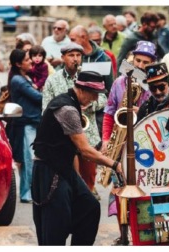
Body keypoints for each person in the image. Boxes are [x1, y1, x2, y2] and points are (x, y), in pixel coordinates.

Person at [32, 70, 122, 245]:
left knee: (90, 207)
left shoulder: (72, 103)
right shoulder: (67, 109)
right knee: (56, 225)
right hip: (49, 170)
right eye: (94, 94)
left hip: (64, 168)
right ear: (81, 89)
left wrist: (76, 180)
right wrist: (115, 164)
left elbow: (73, 150)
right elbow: (85, 150)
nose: (96, 99)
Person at [100, 41, 155, 245]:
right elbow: (109, 112)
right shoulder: (119, 82)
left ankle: (144, 233)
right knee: (118, 190)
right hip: (120, 142)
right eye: (137, 60)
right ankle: (123, 235)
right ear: (132, 58)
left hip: (145, 144)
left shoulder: (153, 84)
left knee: (144, 190)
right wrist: (106, 139)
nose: (140, 64)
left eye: (145, 62)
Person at [42, 42, 106, 201]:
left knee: (89, 175)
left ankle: (88, 198)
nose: (75, 59)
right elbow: (46, 109)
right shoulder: (52, 80)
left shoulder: (89, 74)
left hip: (88, 134)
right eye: (71, 55)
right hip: (65, 137)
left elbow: (104, 97)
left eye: (78, 55)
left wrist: (89, 104)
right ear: (63, 58)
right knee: (70, 179)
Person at [8, 49, 42, 203]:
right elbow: (37, 97)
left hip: (32, 122)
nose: (30, 61)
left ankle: (29, 191)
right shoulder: (18, 80)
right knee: (28, 160)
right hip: (26, 124)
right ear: (18, 64)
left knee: (31, 159)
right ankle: (26, 193)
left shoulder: (25, 77)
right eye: (27, 59)